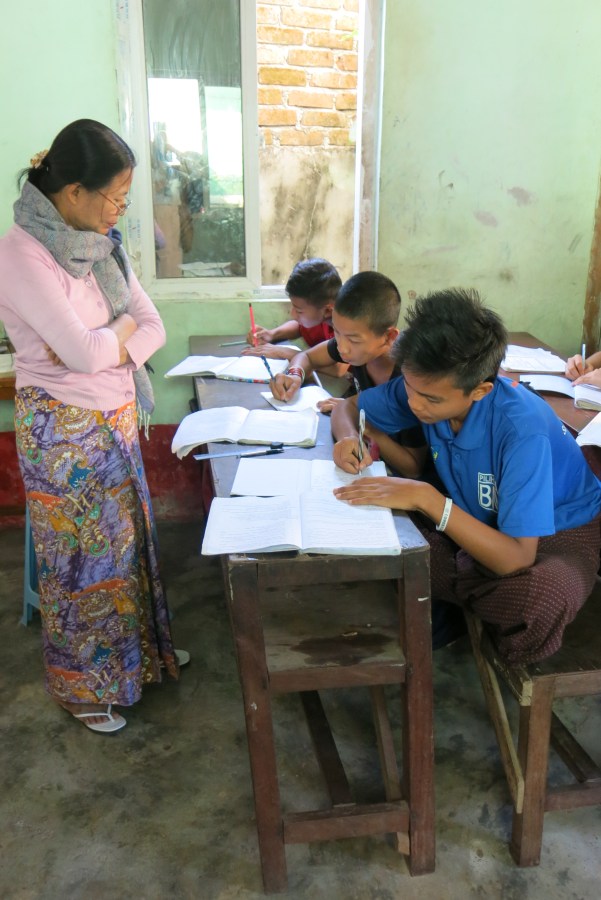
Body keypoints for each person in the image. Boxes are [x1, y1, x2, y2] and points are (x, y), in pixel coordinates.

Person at [0, 119, 187, 734]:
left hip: (115, 417)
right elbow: (81, 355)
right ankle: (81, 690)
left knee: (127, 550)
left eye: (124, 200)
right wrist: (114, 335)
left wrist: (112, 336)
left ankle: (137, 664)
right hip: (64, 434)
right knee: (81, 567)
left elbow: (151, 325)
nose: (118, 212)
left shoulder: (102, 247)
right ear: (74, 191)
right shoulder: (22, 254)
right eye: (114, 198)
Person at [331, 288, 601, 665]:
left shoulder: (521, 431)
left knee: (540, 598)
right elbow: (348, 408)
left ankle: (459, 590)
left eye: (431, 399)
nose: (414, 404)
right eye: (409, 388)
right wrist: (347, 438)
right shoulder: (426, 386)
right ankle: (468, 585)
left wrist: (428, 500)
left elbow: (517, 558)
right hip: (477, 518)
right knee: (379, 536)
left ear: (480, 390)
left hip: (558, 532)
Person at [272, 271, 428, 478]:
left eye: (353, 340)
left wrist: (369, 425)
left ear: (389, 337)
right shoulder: (357, 350)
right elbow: (308, 357)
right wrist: (294, 374)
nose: (342, 348)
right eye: (336, 332)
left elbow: (413, 468)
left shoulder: (410, 378)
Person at [242, 257, 342, 362]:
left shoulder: (346, 328)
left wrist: (285, 353)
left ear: (327, 311)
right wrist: (271, 334)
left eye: (299, 311)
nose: (292, 314)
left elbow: (339, 368)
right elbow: (300, 327)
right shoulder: (320, 312)